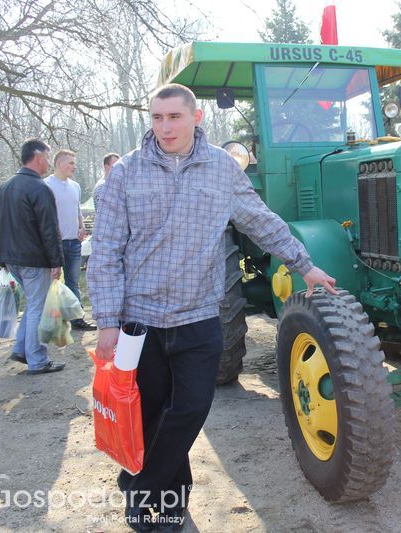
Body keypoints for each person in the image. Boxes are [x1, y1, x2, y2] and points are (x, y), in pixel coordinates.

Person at [86, 83, 337, 532]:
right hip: (140, 323)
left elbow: (261, 221)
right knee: (152, 412)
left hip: (200, 315)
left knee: (191, 408)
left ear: (195, 117)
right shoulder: (125, 173)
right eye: (157, 118)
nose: (165, 127)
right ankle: (165, 505)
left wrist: (305, 265)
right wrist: (107, 322)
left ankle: (138, 488)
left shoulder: (222, 169)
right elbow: (105, 250)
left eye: (174, 117)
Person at [0, 139, 66, 375]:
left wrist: (2, 257)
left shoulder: (6, 186)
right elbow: (49, 229)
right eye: (48, 155)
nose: (48, 162)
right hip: (33, 259)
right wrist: (57, 261)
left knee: (32, 305)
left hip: (12, 258)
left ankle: (22, 348)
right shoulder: (40, 188)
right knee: (39, 308)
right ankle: (37, 360)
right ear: (39, 157)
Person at [44, 149, 97, 331]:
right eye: (70, 163)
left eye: (75, 163)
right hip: (53, 245)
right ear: (59, 164)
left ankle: (77, 319)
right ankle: (52, 321)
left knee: (73, 281)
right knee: (51, 282)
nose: (74, 167)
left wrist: (82, 226)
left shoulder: (75, 186)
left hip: (74, 242)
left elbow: (77, 209)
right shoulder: (46, 185)